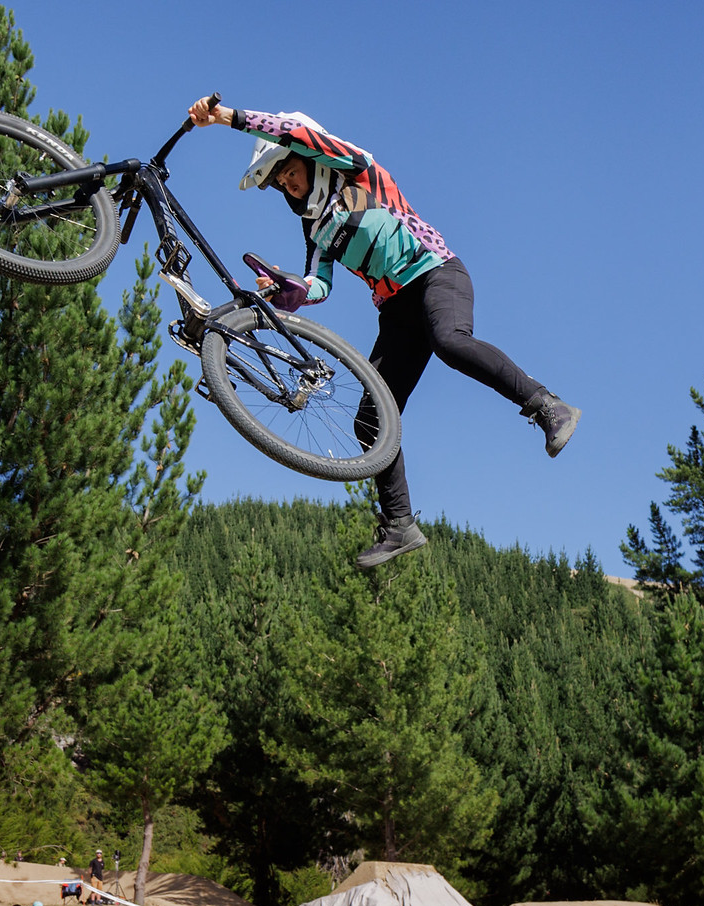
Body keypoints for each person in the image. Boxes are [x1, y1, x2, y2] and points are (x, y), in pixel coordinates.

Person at [187, 95, 581, 570]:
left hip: (436, 273)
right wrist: (287, 289)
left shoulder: (356, 169)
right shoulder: (315, 230)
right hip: (396, 310)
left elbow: (295, 132)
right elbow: (319, 284)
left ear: (308, 159)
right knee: (371, 420)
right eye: (279, 182)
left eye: (289, 171)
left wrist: (229, 118)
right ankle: (399, 525)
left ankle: (546, 405)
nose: (288, 184)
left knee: (451, 341)